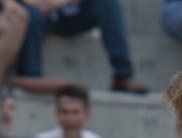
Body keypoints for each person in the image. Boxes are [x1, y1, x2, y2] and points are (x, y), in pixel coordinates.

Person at [16, 0, 148, 94]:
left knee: (108, 3)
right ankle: (30, 78)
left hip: (73, 12)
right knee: (30, 14)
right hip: (37, 12)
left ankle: (123, 76)